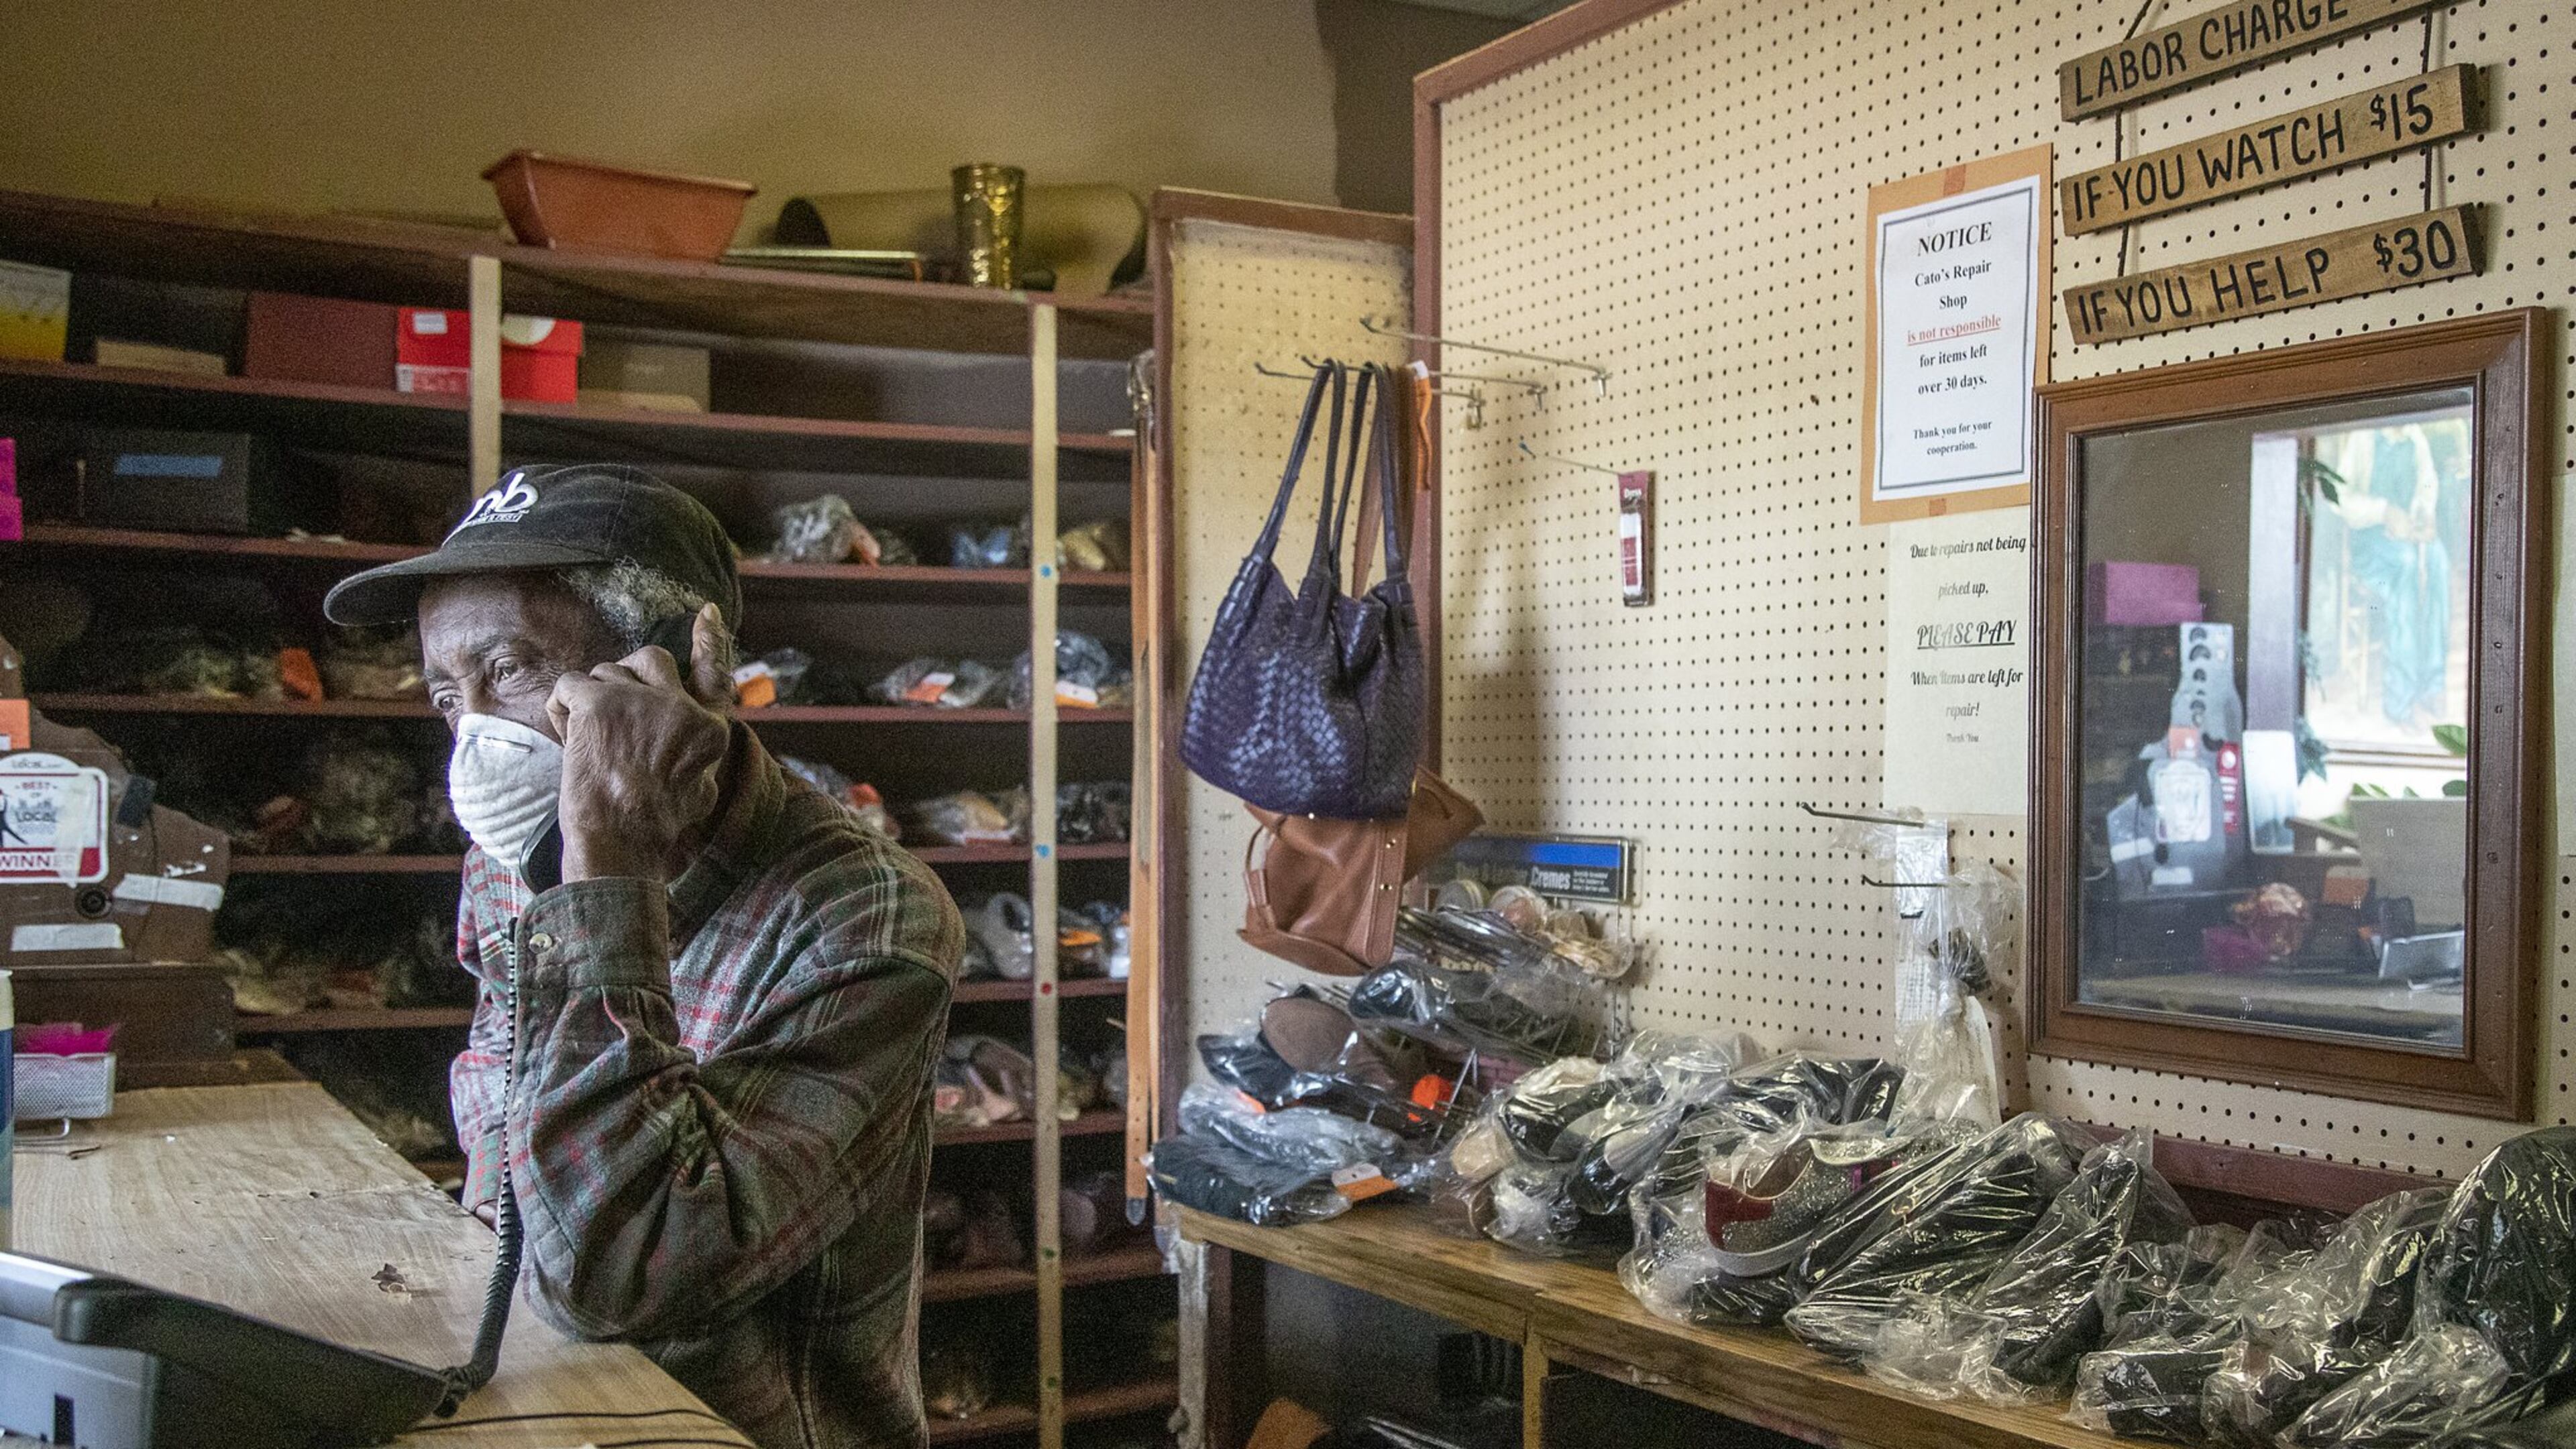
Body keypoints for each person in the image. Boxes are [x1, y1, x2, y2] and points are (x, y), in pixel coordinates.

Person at [325, 464, 962, 1449]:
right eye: (449, 697)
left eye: (511, 670)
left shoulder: (864, 916)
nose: (477, 739)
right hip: (544, 1404)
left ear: (673, 664)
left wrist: (608, 871)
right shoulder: (512, 858)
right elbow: (503, 1144)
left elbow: (621, 1275)